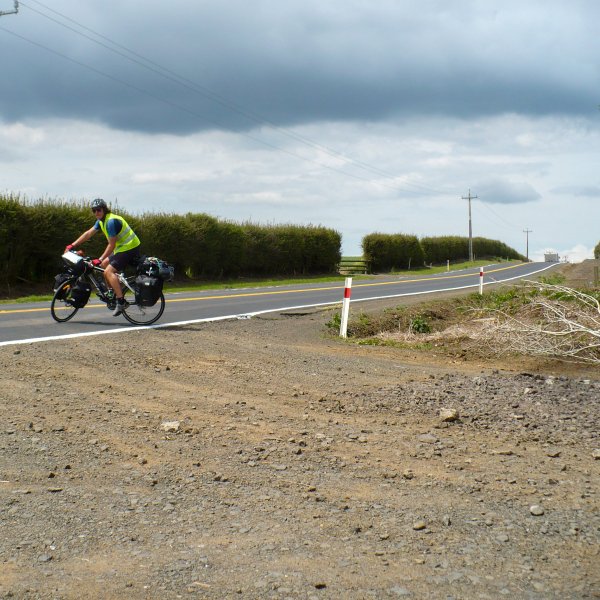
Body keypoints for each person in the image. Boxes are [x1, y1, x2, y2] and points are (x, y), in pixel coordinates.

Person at [65, 199, 141, 316]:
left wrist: (99, 258)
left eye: (98, 210)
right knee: (104, 266)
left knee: (108, 271)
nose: (96, 212)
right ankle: (111, 292)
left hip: (130, 247)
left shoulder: (111, 222)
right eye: (94, 211)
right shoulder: (101, 221)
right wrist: (73, 244)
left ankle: (121, 302)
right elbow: (88, 233)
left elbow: (111, 245)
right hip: (122, 248)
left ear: (104, 209)